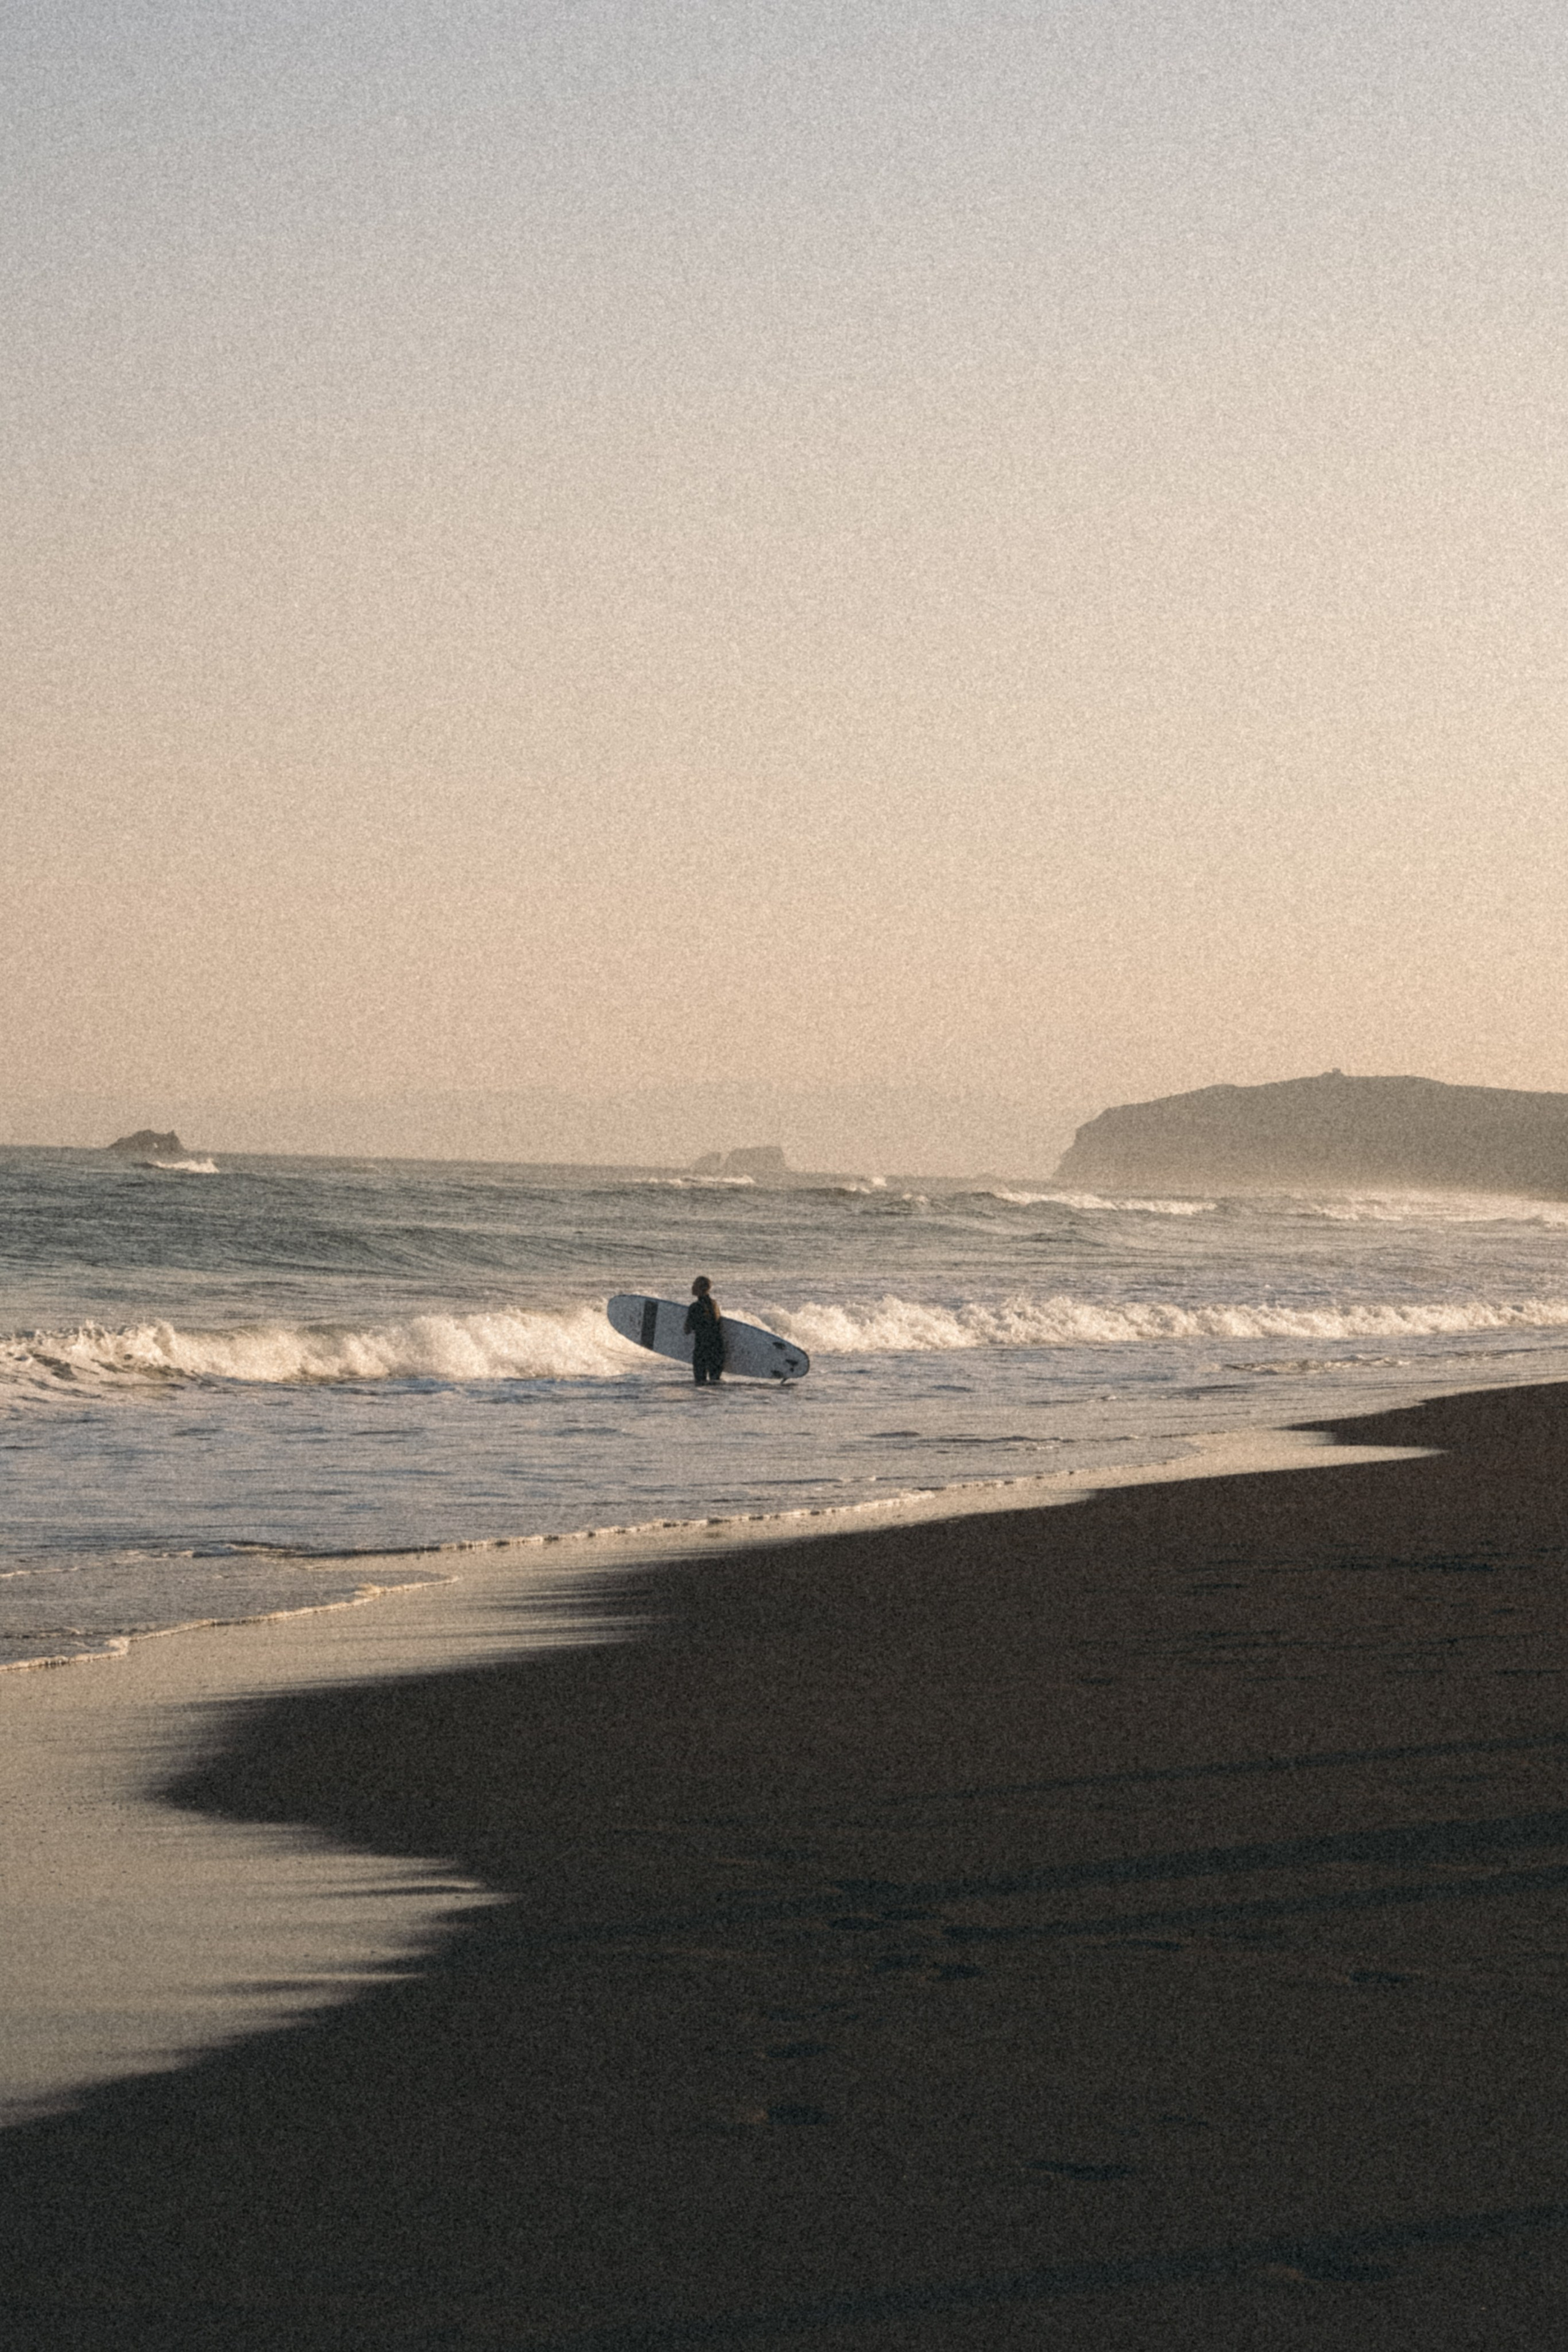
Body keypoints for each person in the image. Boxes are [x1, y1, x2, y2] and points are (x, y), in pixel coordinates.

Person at [684, 1276, 725, 1385]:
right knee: (715, 1385)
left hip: (702, 1350)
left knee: (700, 1384)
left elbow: (687, 1330)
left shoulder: (694, 1307)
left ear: (700, 1288)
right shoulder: (715, 1305)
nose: (692, 1287)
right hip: (718, 1349)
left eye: (695, 1284)